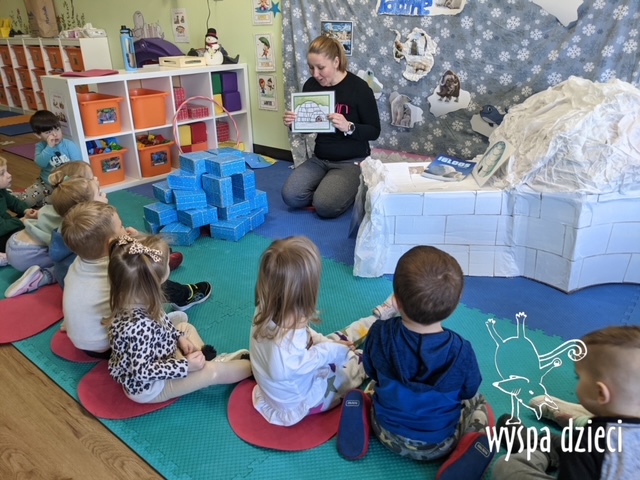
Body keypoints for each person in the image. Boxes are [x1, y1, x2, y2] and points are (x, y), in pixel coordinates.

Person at [363, 245, 495, 479]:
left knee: (373, 384)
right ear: (455, 306)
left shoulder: (379, 333)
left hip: (384, 431)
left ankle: (358, 411)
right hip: (440, 444)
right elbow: (468, 391)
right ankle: (469, 450)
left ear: (396, 301)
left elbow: (371, 370)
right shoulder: (461, 351)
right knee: (479, 401)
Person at [105, 233, 251, 403]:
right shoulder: (138, 326)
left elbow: (162, 323)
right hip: (151, 387)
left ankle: (202, 362)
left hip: (160, 354)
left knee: (184, 328)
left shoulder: (134, 297)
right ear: (156, 281)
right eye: (167, 264)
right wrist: (186, 366)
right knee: (212, 372)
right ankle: (253, 368)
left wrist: (178, 337)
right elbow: (142, 372)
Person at [250, 236, 377, 426]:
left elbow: (308, 340)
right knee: (351, 367)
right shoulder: (284, 357)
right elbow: (316, 357)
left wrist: (327, 343)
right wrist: (339, 351)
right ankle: (371, 357)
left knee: (333, 342)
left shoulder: (266, 306)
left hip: (294, 374)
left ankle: (375, 320)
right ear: (306, 294)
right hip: (301, 401)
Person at [60, 201, 212, 358]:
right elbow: (140, 270)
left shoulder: (78, 262)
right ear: (111, 242)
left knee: (143, 274)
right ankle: (185, 295)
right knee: (150, 280)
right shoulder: (116, 272)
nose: (125, 228)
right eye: (121, 226)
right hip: (112, 346)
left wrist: (132, 241)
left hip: (83, 341)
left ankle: (161, 263)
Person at [492, 325, 640, 479]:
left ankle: (541, 449)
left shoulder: (586, 443)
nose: (577, 381)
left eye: (578, 377)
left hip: (585, 457)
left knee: (507, 466)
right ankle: (552, 445)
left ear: (600, 393)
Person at [281, 35, 381, 219]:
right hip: (320, 158)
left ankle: (349, 187)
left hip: (351, 161)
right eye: (311, 67)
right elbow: (307, 129)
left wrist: (349, 126)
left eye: (320, 68)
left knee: (325, 206)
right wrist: (294, 123)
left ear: (336, 62)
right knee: (290, 196)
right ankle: (327, 188)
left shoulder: (359, 89)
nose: (315, 74)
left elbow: (374, 131)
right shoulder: (311, 85)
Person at [4, 162, 102, 297]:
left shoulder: (55, 204)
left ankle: (6, 258)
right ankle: (41, 277)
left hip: (13, 243)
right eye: (90, 179)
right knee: (75, 262)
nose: (96, 179)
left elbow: (44, 215)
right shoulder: (72, 217)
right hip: (27, 255)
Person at [15, 110, 83, 208]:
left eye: (57, 129)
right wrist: (49, 148)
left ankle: (43, 203)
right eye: (48, 132)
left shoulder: (68, 145)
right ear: (38, 135)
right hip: (44, 183)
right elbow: (40, 163)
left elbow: (78, 166)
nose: (55, 134)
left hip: (65, 187)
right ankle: (12, 196)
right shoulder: (41, 146)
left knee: (61, 204)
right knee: (25, 201)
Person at [0, 156, 37, 266]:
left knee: (31, 219)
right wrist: (21, 221)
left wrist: (26, 210)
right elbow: (2, 227)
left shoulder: (2, 191)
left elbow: (14, 202)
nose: (9, 175)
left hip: (5, 224)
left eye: (7, 171)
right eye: (2, 173)